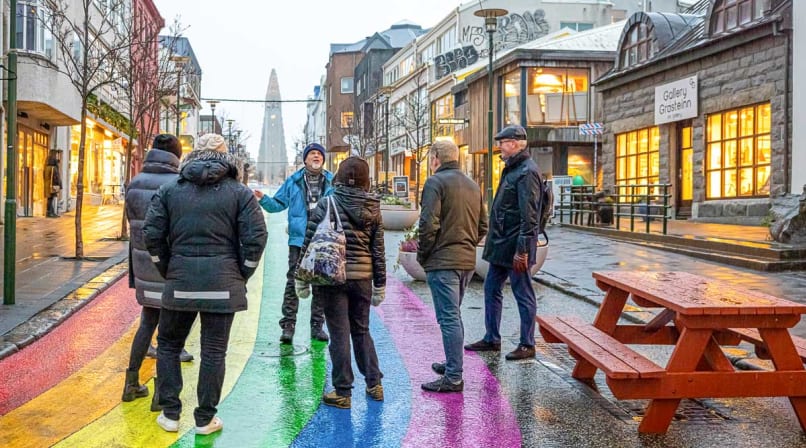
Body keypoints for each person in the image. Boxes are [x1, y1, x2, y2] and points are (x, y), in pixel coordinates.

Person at [143, 133, 267, 435]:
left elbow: (152, 234)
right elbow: (256, 237)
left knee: (169, 345)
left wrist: (167, 268)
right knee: (214, 351)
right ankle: (204, 418)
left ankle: (171, 414)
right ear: (226, 156)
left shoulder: (170, 190)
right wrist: (241, 272)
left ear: (192, 155)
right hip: (223, 285)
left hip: (180, 281)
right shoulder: (239, 193)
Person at [297, 156, 385, 409]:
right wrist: (380, 284)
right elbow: (378, 251)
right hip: (363, 279)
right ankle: (374, 383)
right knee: (362, 330)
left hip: (332, 278)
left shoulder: (327, 203)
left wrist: (300, 279)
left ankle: (343, 391)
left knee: (339, 334)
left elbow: (309, 242)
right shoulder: (373, 208)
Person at [121, 134, 194, 408]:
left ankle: (130, 383)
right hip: (169, 266)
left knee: (147, 323)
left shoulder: (135, 182)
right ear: (177, 156)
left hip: (142, 265)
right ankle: (160, 396)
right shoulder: (176, 185)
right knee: (169, 334)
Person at [465, 124, 542, 361]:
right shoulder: (513, 169)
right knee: (491, 288)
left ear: (516, 143)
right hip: (502, 243)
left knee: (523, 292)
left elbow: (529, 216)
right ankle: (492, 338)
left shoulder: (526, 172)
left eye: (503, 142)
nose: (499, 146)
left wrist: (522, 251)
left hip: (515, 246)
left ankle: (527, 344)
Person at [417, 140, 487, 393]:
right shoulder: (472, 185)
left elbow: (427, 224)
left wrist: (424, 254)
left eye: (429, 157)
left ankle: (454, 376)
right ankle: (452, 364)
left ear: (435, 157)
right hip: (466, 260)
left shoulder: (435, 183)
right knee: (453, 315)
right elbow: (483, 227)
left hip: (443, 260)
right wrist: (466, 244)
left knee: (448, 318)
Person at [254, 142, 333, 344]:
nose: (316, 157)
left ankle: (317, 326)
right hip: (299, 240)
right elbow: (278, 204)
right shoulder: (294, 181)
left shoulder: (332, 181)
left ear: (323, 159)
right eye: (312, 154)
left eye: (319, 154)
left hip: (323, 240)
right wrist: (263, 199)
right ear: (305, 159)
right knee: (293, 282)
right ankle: (288, 326)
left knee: (321, 283)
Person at [44, 153, 62, 217]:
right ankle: (50, 213)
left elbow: (44, 176)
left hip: (47, 185)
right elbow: (56, 177)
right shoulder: (53, 168)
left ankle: (50, 212)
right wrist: (59, 185)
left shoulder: (46, 167)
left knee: (49, 199)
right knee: (50, 199)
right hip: (52, 185)